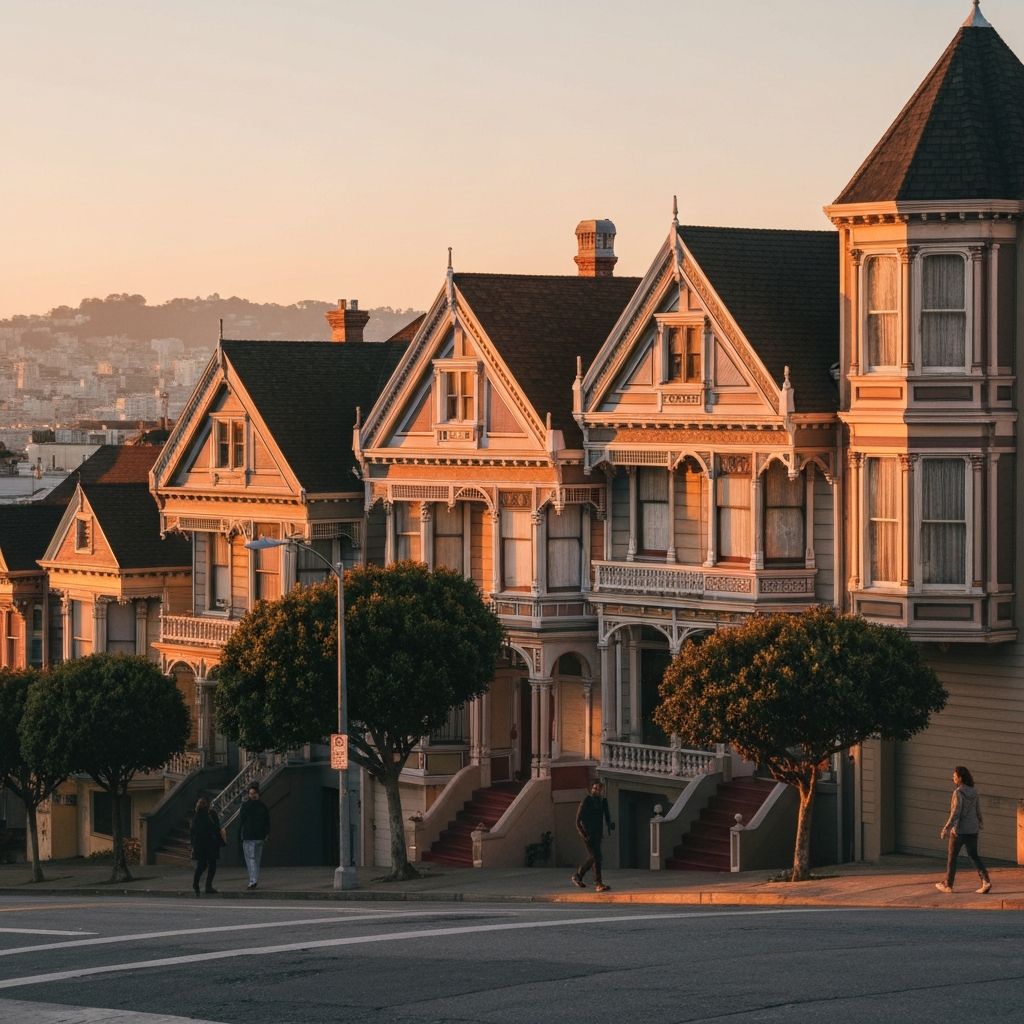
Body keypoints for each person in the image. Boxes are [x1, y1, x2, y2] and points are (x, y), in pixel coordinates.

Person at [935, 765, 991, 895]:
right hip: (973, 829)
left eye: (955, 776)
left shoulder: (958, 792)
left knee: (952, 857)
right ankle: (986, 881)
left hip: (959, 831)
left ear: (960, 778)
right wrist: (980, 822)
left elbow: (956, 812)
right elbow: (977, 809)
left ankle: (948, 885)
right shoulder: (974, 791)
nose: (953, 778)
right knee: (974, 855)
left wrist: (946, 828)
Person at [571, 779, 614, 892]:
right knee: (594, 857)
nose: (596, 791)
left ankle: (598, 883)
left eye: (599, 789)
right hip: (588, 834)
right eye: (594, 788)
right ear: (591, 789)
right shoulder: (587, 800)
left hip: (597, 834)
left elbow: (607, 816)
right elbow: (577, 820)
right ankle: (578, 876)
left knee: (597, 859)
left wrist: (610, 825)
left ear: (602, 790)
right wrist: (584, 834)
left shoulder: (602, 801)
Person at [189, 797, 224, 896]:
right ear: (208, 805)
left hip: (200, 845)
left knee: (201, 865)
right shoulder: (210, 815)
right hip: (210, 844)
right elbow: (216, 828)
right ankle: (208, 885)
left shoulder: (196, 816)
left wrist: (193, 845)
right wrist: (221, 840)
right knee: (212, 865)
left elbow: (192, 832)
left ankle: (196, 884)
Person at [239, 782, 271, 890]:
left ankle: (253, 880)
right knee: (257, 859)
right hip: (260, 837)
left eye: (252, 793)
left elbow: (242, 820)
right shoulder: (263, 806)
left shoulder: (246, 805)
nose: (252, 795)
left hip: (249, 836)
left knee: (250, 859)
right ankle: (254, 878)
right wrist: (267, 833)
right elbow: (267, 821)